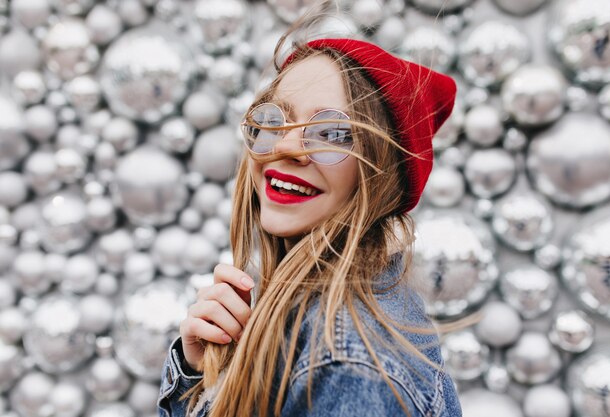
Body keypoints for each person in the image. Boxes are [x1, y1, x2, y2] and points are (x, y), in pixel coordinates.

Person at [157, 10, 461, 417]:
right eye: (273, 120)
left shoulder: (348, 363)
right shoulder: (297, 313)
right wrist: (200, 375)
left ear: (381, 175)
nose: (286, 147)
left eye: (332, 133)